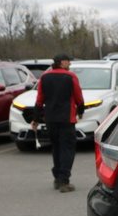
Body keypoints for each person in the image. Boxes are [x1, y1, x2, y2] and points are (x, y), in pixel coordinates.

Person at [33, 53, 85, 192]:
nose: (70, 64)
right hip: (66, 118)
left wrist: (36, 118)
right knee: (67, 149)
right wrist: (81, 110)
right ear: (62, 62)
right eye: (68, 62)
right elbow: (78, 97)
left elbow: (39, 99)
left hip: (50, 119)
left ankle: (57, 177)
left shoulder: (44, 77)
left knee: (56, 147)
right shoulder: (70, 77)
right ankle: (64, 181)